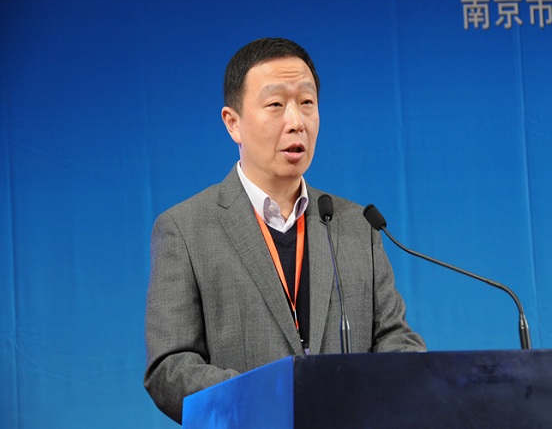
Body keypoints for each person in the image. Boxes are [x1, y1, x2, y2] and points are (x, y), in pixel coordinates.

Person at [144, 37, 426, 424]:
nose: (296, 122)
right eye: (276, 105)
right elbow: (169, 368)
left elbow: (396, 338)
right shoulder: (186, 228)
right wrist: (268, 401)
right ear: (233, 123)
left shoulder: (356, 224)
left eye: (307, 102)